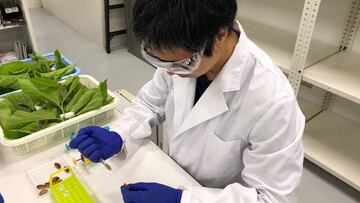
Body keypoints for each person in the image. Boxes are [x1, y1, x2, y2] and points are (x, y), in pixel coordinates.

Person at [69, 0, 305, 202]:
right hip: (172, 174)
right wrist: (119, 134)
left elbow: (272, 197)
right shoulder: (183, 54)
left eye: (179, 64)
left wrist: (183, 200)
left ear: (220, 35)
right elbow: (150, 103)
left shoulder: (273, 101)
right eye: (161, 61)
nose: (170, 73)